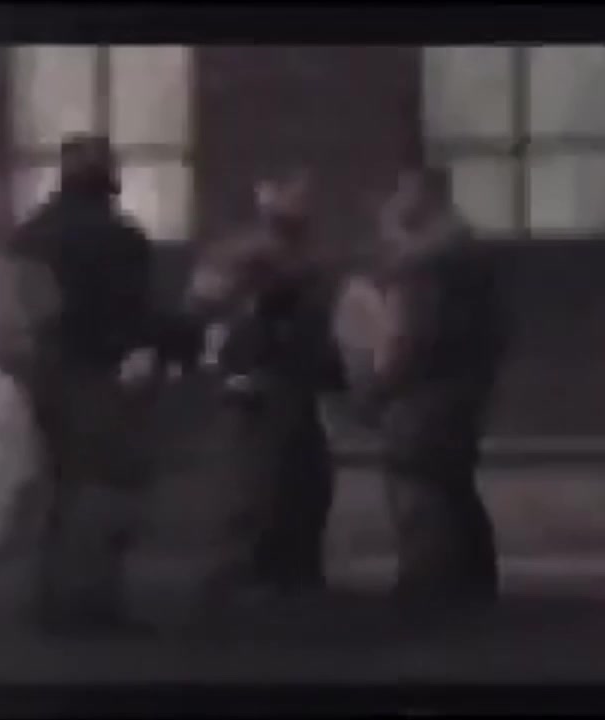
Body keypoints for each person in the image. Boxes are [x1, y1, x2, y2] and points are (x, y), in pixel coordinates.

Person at [0, 134, 185, 632]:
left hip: (40, 375)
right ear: (109, 179)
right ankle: (88, 604)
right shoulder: (119, 239)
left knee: (60, 488)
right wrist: (176, 335)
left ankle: (54, 601)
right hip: (95, 376)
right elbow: (133, 314)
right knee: (102, 486)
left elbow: (15, 311)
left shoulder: (28, 236)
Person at [183, 168, 347, 602]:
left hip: (291, 388)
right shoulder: (241, 256)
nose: (303, 205)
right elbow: (205, 308)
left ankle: (288, 574)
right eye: (292, 193)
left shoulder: (306, 260)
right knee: (256, 485)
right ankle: (246, 576)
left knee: (301, 486)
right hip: (257, 388)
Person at [363, 167, 505, 608]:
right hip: (464, 391)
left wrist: (376, 387)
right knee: (455, 488)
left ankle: (430, 594)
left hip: (420, 398)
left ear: (417, 201)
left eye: (397, 195)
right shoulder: (473, 255)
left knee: (419, 492)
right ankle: (473, 592)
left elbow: (403, 337)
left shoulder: (421, 264)